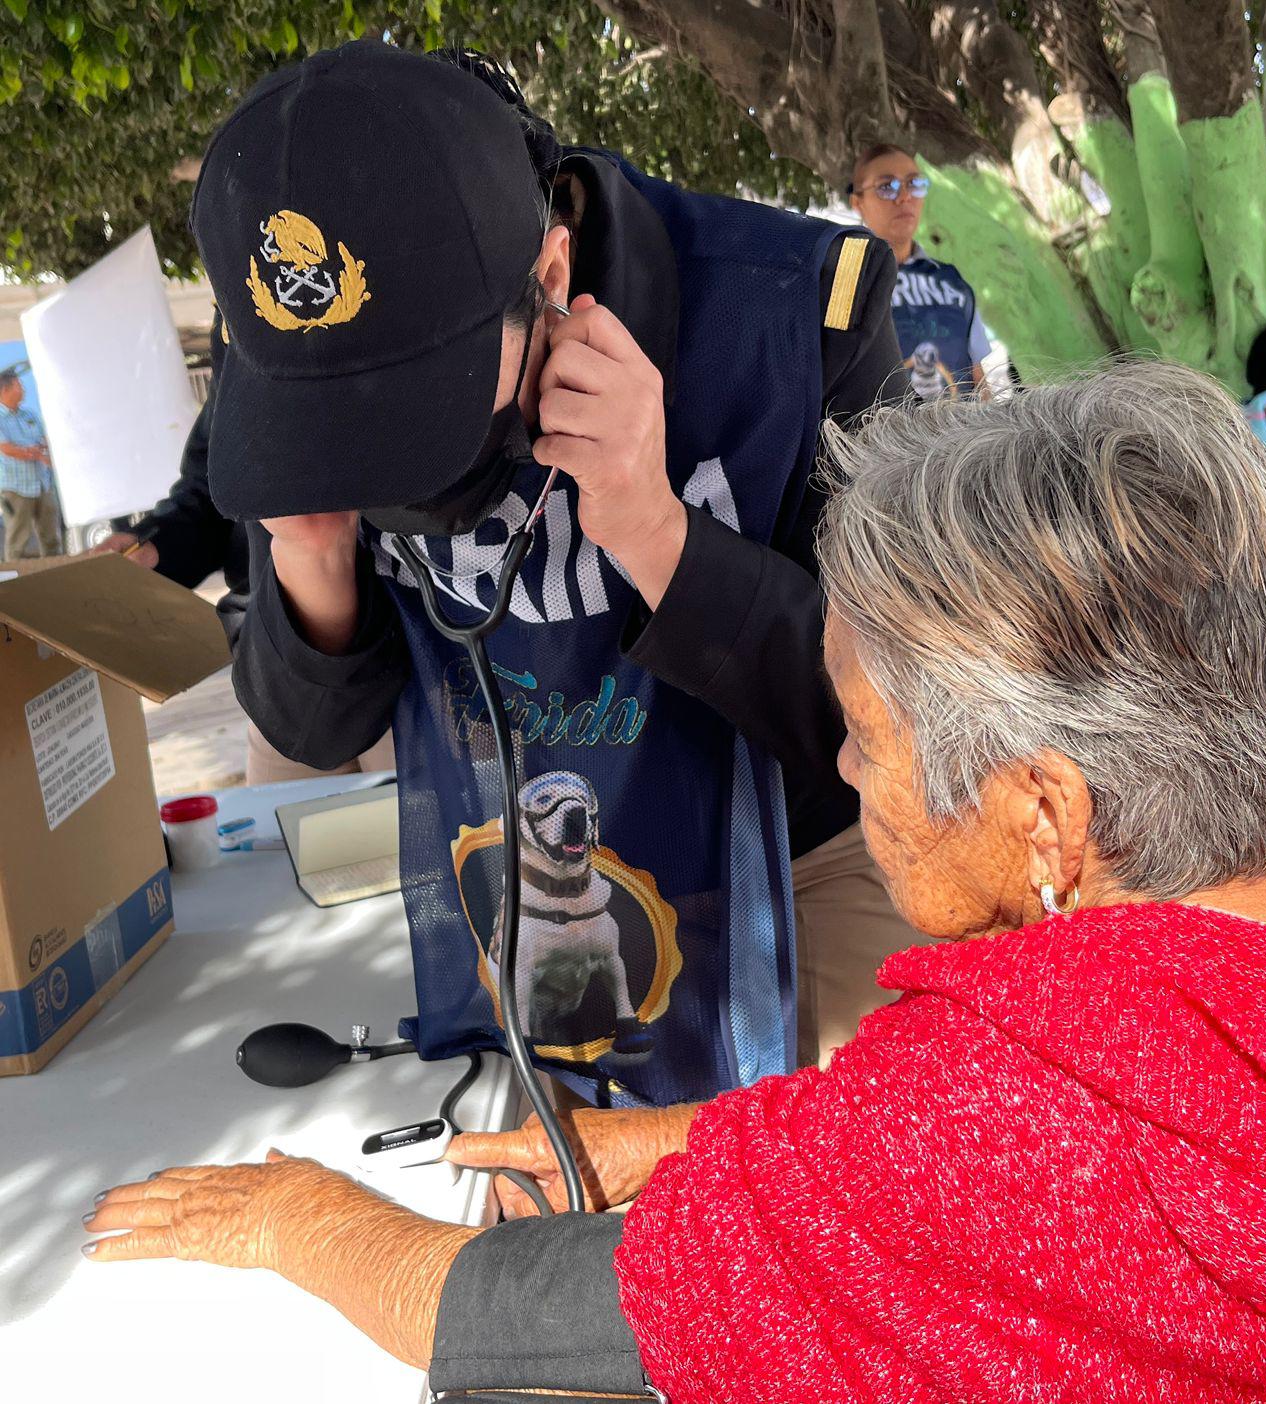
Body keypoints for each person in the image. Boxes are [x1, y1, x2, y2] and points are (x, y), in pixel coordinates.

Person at [83, 363, 1266, 1399]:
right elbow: (959, 1155)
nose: (851, 779)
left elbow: (512, 1315)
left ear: (1045, 817)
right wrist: (671, 1142)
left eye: (864, 740)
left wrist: (297, 1221)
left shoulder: (1020, 1111)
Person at [197, 41, 921, 1110]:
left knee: (834, 1189)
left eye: (416, 397)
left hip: (795, 850)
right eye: (334, 414)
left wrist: (658, 535)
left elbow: (902, 720)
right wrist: (310, 560)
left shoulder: (797, 317)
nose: (380, 450)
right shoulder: (308, 367)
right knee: (525, 1229)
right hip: (504, 870)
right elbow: (313, 742)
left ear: (551, 275)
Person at [89, 324, 395, 784]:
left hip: (420, 664)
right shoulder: (243, 301)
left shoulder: (412, 274)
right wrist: (155, 544)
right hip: (277, 665)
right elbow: (212, 486)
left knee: (448, 851)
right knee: (280, 851)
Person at [849, 143, 997, 401]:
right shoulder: (844, 282)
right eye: (886, 186)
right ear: (858, 203)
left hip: (963, 435)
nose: (904, 196)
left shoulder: (952, 281)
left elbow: (977, 377)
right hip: (884, 437)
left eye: (914, 184)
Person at [0, 365, 62, 559]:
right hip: (17, 489)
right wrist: (33, 453)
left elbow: (45, 440)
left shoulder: (30, 415)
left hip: (42, 485)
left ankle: (56, 577)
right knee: (18, 541)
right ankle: (16, 586)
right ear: (5, 390)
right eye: (19, 385)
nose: (24, 389)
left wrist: (45, 450)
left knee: (52, 538)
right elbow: (5, 448)